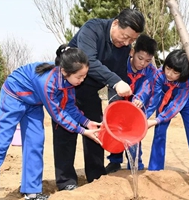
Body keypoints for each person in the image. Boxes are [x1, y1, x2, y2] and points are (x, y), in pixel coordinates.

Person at [0, 45, 102, 200]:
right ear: (64, 71)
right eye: (79, 77)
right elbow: (58, 115)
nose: (82, 80)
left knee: (35, 143)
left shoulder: (69, 82)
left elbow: (68, 106)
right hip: (13, 96)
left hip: (34, 102)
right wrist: (83, 131)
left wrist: (87, 122)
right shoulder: (47, 82)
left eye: (84, 76)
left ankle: (32, 191)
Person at [52, 8, 145, 191]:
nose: (126, 42)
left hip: (89, 91)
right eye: (125, 36)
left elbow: (117, 74)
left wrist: (120, 101)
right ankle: (66, 181)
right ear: (116, 23)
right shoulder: (92, 29)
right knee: (66, 132)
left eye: (132, 40)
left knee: (97, 129)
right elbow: (90, 62)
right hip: (66, 88)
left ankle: (96, 177)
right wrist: (117, 82)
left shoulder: (124, 48)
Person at [146, 49, 189, 178]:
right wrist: (144, 117)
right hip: (165, 98)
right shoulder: (159, 74)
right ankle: (155, 169)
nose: (169, 74)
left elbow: (176, 105)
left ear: (184, 73)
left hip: (186, 101)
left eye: (175, 72)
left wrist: (157, 120)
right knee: (159, 132)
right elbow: (154, 99)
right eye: (168, 68)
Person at [105, 34, 158, 173]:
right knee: (116, 128)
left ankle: (135, 163)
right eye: (140, 58)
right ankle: (115, 161)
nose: (143, 63)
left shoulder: (151, 71)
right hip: (119, 101)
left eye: (148, 60)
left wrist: (140, 98)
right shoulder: (120, 63)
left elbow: (147, 86)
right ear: (132, 52)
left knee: (134, 132)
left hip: (136, 106)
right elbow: (112, 82)